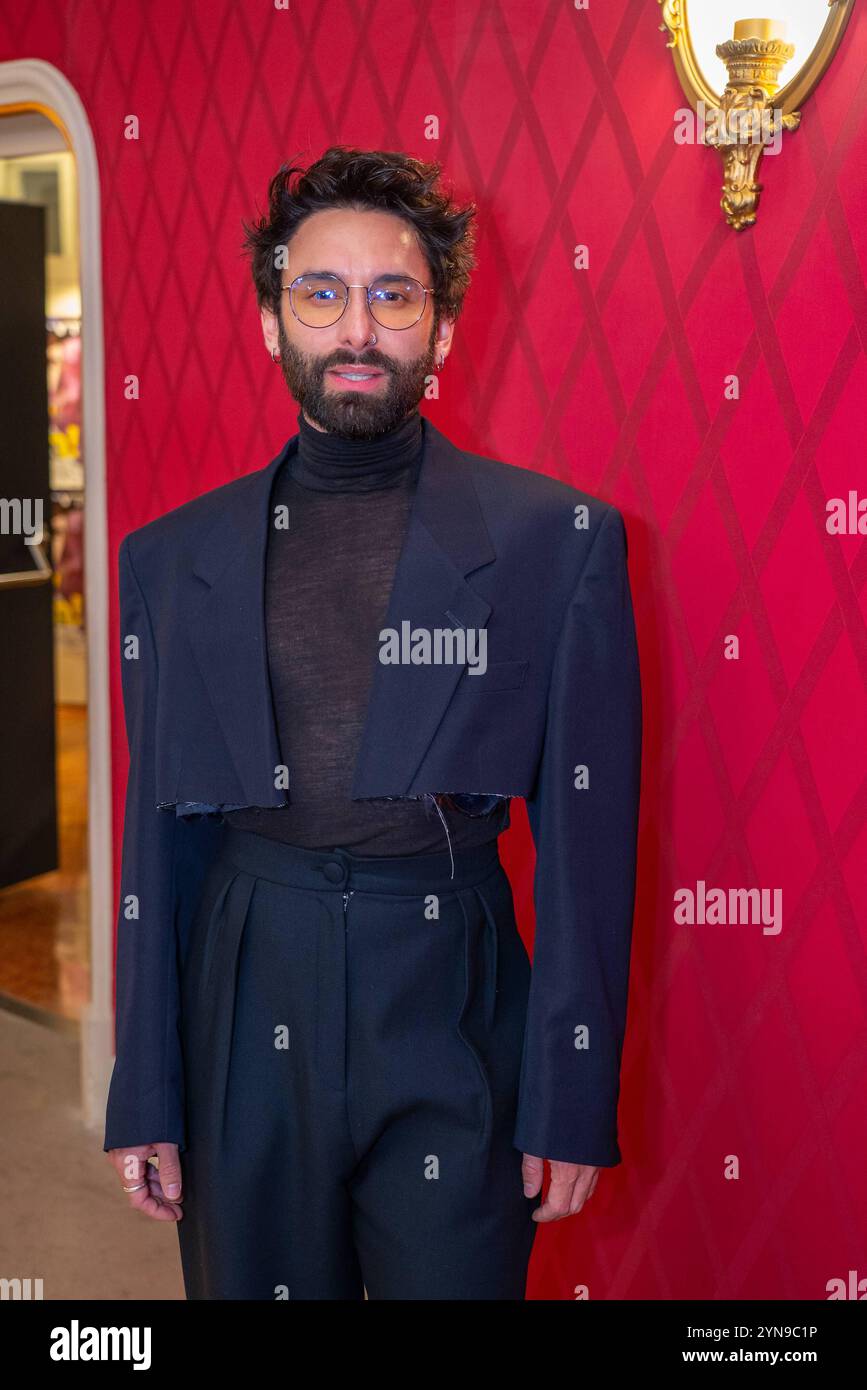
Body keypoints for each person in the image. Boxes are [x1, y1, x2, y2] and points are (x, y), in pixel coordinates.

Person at [104, 146, 643, 1300]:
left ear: (440, 330)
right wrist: (145, 1084)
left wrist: (572, 1095)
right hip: (246, 1008)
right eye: (322, 292)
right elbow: (158, 842)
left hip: (453, 997)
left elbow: (590, 857)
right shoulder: (167, 561)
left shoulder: (561, 544)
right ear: (272, 321)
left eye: (394, 295)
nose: (358, 328)